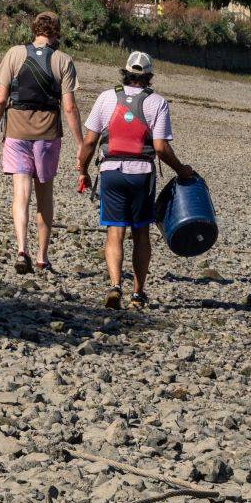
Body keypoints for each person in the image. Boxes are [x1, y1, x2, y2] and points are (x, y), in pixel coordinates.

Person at [77, 51, 197, 309]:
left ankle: (115, 285)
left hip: (110, 171)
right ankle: (138, 294)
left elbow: (89, 141)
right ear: (149, 76)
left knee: (114, 232)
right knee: (141, 233)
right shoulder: (158, 103)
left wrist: (82, 169)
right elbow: (161, 148)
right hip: (142, 174)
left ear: (125, 73)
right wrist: (181, 170)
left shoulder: (107, 97)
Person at [0, 11, 82, 274]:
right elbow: (69, 108)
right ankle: (41, 256)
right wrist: (82, 144)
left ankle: (21, 249)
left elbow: (1, 99)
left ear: (34, 29)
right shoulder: (63, 60)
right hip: (48, 133)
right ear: (57, 33)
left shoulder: (15, 53)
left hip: (16, 130)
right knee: (44, 196)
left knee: (20, 194)